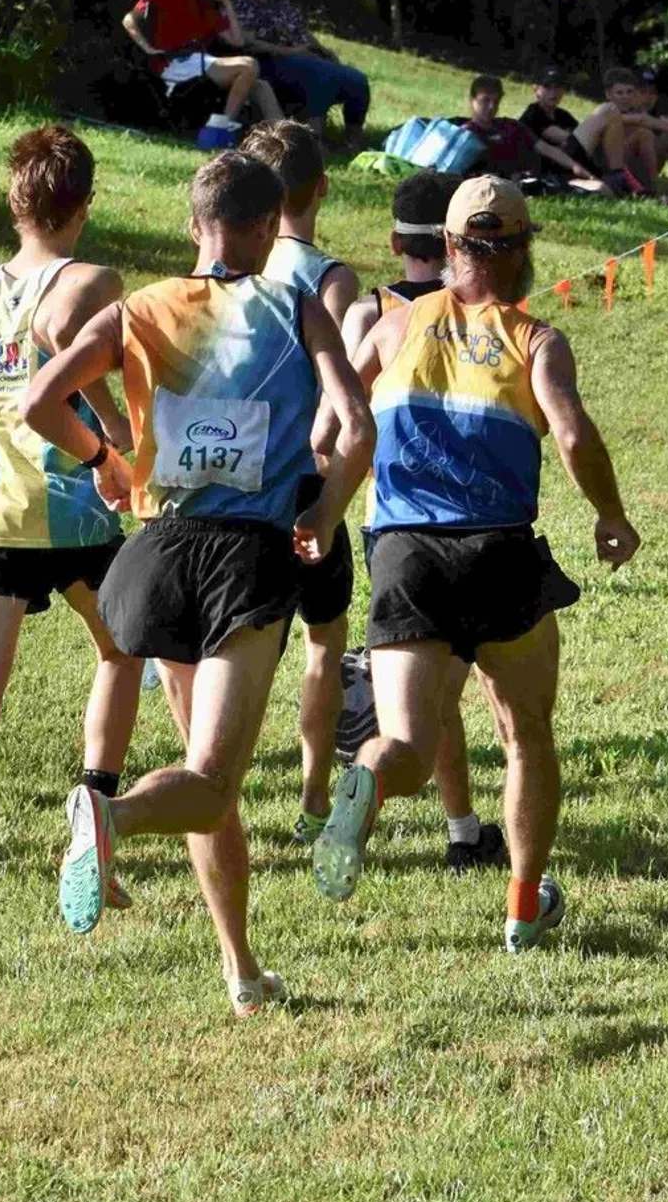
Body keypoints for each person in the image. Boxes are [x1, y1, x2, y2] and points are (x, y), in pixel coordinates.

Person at [20, 150, 374, 1016]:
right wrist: (325, 515)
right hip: (246, 559)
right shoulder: (292, 302)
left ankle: (241, 969)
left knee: (202, 784)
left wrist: (105, 455)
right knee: (212, 781)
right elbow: (356, 424)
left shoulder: (136, 309)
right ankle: (105, 819)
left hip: (157, 556)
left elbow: (36, 402)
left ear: (192, 227)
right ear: (264, 228)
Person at [311, 177, 641, 953]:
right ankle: (524, 906)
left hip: (404, 556)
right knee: (526, 736)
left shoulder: (392, 327)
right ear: (522, 250)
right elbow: (570, 434)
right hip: (499, 552)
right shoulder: (536, 339)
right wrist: (610, 513)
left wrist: (324, 498)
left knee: (409, 748)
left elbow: (336, 426)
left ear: (450, 247)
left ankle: (369, 782)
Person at [0, 126, 143, 960]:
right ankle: (95, 813)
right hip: (76, 507)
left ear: (15, 204)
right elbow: (61, 336)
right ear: (81, 205)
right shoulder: (94, 277)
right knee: (120, 653)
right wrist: (111, 432)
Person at [339, 168, 509, 874]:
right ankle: (459, 827)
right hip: (471, 520)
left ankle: (464, 828)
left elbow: (341, 415)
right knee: (454, 698)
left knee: (437, 694)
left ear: (394, 240)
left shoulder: (374, 313)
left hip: (390, 521)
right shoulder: (483, 314)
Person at [237, 121, 361, 847]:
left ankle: (217, 779)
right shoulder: (330, 277)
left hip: (235, 478)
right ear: (322, 188)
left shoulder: (232, 260)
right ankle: (313, 793)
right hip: (305, 482)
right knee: (324, 642)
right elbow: (336, 393)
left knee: (246, 649)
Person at [122, 0, 283, 146]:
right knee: (248, 65)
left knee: (261, 86)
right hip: (173, 63)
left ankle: (285, 142)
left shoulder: (205, 6)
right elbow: (129, 20)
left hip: (198, 64)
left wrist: (225, 0)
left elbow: (237, 40)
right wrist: (147, 48)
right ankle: (220, 129)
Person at [227, 0, 372, 146]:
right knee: (323, 75)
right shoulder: (238, 4)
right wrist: (289, 52)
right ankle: (313, 140)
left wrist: (322, 50)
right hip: (268, 61)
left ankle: (352, 141)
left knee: (356, 79)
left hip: (302, 57)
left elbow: (302, 31)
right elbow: (247, 42)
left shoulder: (281, 3)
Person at [516, 66, 617, 193]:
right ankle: (616, 175)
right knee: (609, 109)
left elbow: (576, 139)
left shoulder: (563, 115)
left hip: (575, 162)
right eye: (547, 87)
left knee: (640, 134)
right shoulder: (533, 113)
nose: (553, 92)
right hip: (554, 170)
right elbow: (563, 138)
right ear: (536, 89)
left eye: (558, 87)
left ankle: (623, 177)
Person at [462, 75, 540, 178]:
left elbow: (544, 148)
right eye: (486, 100)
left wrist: (569, 165)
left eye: (496, 101)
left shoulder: (510, 126)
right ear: (472, 100)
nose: (491, 107)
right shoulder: (465, 136)